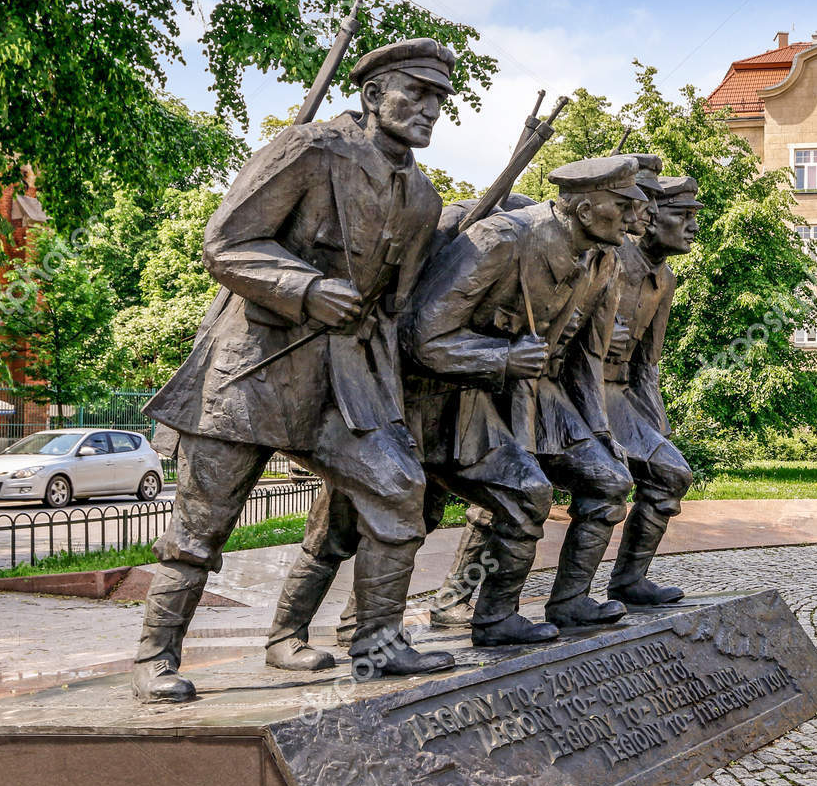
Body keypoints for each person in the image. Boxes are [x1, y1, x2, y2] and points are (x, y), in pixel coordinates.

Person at [131, 38, 460, 703]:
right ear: (371, 95)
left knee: (399, 490)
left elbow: (392, 312)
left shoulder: (422, 197)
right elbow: (224, 242)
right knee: (203, 522)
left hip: (345, 380)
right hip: (254, 367)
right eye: (414, 92)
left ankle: (375, 639)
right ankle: (154, 656)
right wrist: (304, 287)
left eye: (438, 99)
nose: (428, 109)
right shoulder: (310, 149)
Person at [409, 154, 644, 634]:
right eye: (622, 205)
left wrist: (599, 431)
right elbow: (422, 335)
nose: (633, 217)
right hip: (460, 394)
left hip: (534, 394)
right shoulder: (503, 239)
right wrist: (501, 358)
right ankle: (489, 617)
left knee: (609, 480)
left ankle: (570, 602)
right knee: (521, 495)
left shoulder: (602, 259)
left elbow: (585, 357)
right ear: (583, 210)